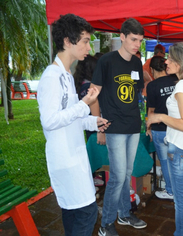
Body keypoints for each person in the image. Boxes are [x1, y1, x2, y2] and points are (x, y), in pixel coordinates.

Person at [37, 14, 110, 236]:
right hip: (65, 157)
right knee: (86, 212)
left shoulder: (66, 74)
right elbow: (50, 121)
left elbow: (70, 117)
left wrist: (92, 121)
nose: (89, 46)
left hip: (73, 154)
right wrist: (85, 104)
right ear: (68, 41)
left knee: (73, 211)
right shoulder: (52, 76)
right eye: (86, 40)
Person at [90, 18, 147, 236]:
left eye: (140, 41)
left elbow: (137, 94)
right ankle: (106, 223)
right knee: (117, 175)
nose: (136, 44)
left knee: (127, 173)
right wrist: (99, 125)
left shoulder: (135, 63)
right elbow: (93, 95)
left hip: (133, 124)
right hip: (113, 126)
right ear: (122, 37)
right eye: (133, 39)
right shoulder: (106, 61)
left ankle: (124, 213)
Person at [146, 42, 183, 236]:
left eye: (170, 59)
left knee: (181, 201)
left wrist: (160, 117)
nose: (166, 61)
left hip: (182, 150)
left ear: (180, 63)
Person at [146, 56, 178, 200]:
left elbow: (151, 111)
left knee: (165, 161)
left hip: (160, 129)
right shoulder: (176, 81)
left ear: (151, 70)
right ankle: (179, 189)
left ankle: (171, 191)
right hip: (176, 126)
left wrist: (148, 127)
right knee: (177, 160)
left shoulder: (152, 86)